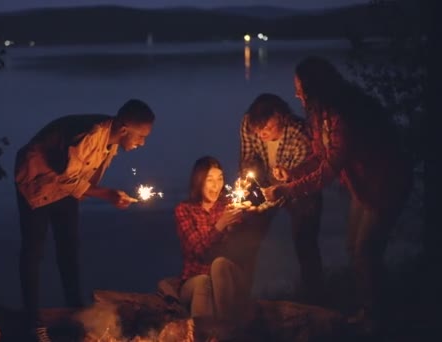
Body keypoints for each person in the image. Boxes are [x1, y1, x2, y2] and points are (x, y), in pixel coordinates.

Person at [262, 56, 413, 333]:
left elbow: (331, 169)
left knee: (365, 250)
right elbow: (322, 157)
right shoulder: (321, 115)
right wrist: (292, 173)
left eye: (300, 87)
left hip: (384, 183)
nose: (296, 93)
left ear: (314, 86)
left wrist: (288, 189)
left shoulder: (344, 113)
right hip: (363, 186)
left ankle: (381, 317)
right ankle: (372, 308)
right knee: (355, 248)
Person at [14, 99, 155, 341]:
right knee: (33, 252)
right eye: (140, 136)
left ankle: (76, 312)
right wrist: (107, 195)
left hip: (65, 186)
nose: (143, 143)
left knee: (69, 247)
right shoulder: (91, 135)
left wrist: (108, 195)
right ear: (123, 129)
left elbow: (81, 180)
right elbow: (66, 176)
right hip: (37, 181)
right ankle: (32, 322)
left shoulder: (111, 144)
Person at [238, 93, 325, 305]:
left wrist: (279, 190)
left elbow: (303, 180)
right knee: (247, 237)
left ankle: (315, 300)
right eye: (257, 131)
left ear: (280, 117)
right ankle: (239, 298)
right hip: (266, 184)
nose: (261, 134)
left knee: (305, 242)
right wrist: (249, 183)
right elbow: (249, 159)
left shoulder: (300, 134)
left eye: (266, 129)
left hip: (301, 189)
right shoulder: (249, 124)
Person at [174, 156, 253, 340]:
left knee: (219, 264)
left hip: (228, 278)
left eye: (220, 178)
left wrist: (236, 224)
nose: (216, 185)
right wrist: (220, 225)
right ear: (199, 180)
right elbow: (198, 250)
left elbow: (238, 249)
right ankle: (204, 336)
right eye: (210, 179)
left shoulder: (228, 206)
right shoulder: (184, 210)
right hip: (193, 280)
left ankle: (224, 332)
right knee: (202, 281)